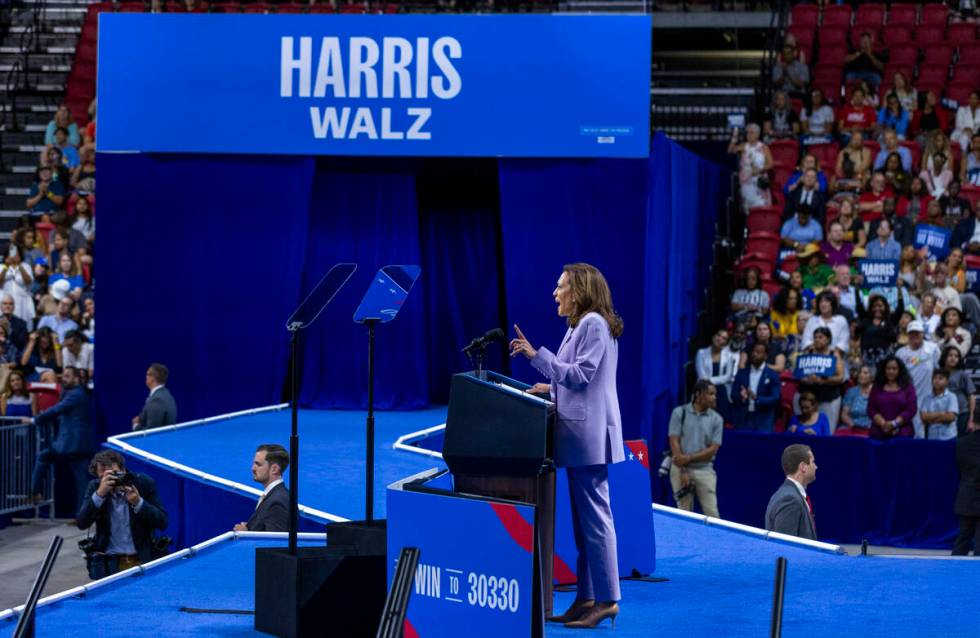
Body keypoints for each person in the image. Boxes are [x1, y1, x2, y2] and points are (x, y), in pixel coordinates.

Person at [509, 263, 623, 628]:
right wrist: (550, 387)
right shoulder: (583, 325)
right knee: (585, 525)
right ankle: (587, 597)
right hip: (581, 437)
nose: (555, 293)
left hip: (589, 438)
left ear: (580, 290)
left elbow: (581, 375)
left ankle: (607, 599)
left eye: (561, 287)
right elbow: (577, 380)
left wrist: (534, 356)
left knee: (596, 522)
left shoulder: (592, 323)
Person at [76, 449, 168, 578]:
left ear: (123, 469)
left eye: (114, 474)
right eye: (104, 476)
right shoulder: (95, 487)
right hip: (110, 564)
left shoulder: (143, 483)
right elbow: (81, 523)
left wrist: (138, 502)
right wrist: (99, 495)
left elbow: (162, 522)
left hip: (140, 560)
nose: (111, 479)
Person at [27, 367, 95, 510]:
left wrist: (35, 420)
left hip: (71, 443)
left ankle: (34, 491)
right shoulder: (74, 392)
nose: (63, 379)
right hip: (78, 443)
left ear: (76, 378)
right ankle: (81, 515)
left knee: (43, 457)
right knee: (81, 481)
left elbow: (57, 409)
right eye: (63, 376)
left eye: (67, 376)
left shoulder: (76, 394)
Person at [667, 379, 723, 518]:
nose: (714, 397)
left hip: (704, 470)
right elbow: (674, 441)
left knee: (713, 515)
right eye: (710, 394)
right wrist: (683, 469)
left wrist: (688, 458)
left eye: (714, 394)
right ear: (698, 394)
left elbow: (713, 450)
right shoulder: (679, 412)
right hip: (680, 470)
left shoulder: (717, 419)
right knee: (684, 514)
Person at [896, 320, 941, 438]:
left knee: (928, 432)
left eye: (918, 333)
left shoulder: (932, 348)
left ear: (922, 333)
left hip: (928, 396)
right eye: (912, 333)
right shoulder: (900, 353)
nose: (915, 336)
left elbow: (939, 371)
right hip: (906, 397)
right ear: (908, 334)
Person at [764, 444, 818, 541]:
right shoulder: (789, 499)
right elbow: (786, 549)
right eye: (813, 462)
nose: (816, 467)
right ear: (803, 467)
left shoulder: (789, 494)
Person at [795, 327, 845, 431]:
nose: (817, 339)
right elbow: (797, 374)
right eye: (815, 337)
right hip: (806, 397)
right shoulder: (808, 352)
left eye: (821, 337)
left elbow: (840, 377)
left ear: (828, 339)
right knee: (803, 429)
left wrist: (824, 381)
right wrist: (807, 380)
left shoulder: (834, 354)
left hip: (828, 397)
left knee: (827, 430)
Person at [234, 444, 290, 533]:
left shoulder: (277, 502)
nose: (253, 468)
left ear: (274, 469)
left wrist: (246, 535)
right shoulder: (274, 495)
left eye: (258, 464)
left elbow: (274, 544)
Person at [732, 342, 781, 432]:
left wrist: (757, 398)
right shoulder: (741, 373)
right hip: (743, 419)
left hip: (763, 420)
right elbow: (733, 394)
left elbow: (775, 398)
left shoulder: (772, 375)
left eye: (758, 352)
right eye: (753, 351)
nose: (754, 354)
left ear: (765, 356)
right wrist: (741, 396)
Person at [868, 355, 918, 439]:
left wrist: (894, 424)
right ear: (884, 370)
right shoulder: (877, 387)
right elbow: (871, 409)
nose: (891, 371)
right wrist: (883, 424)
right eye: (888, 368)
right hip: (879, 432)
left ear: (900, 370)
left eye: (894, 369)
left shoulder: (908, 387)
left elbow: (911, 409)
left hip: (902, 433)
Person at [695, 329, 738, 423]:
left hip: (721, 391)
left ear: (726, 343)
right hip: (704, 389)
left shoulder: (730, 356)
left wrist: (709, 380)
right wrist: (709, 383)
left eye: (724, 338)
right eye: (718, 335)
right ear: (713, 337)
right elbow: (701, 376)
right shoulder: (701, 353)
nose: (719, 339)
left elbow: (727, 377)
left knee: (720, 422)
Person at [729, 123, 773, 210]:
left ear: (757, 134)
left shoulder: (763, 147)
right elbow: (730, 150)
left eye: (752, 132)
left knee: (761, 207)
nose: (749, 135)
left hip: (759, 181)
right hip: (746, 182)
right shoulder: (744, 146)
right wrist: (734, 138)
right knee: (748, 208)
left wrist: (760, 170)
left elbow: (771, 164)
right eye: (748, 132)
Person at [855, 294, 903, 367]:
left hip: (884, 361)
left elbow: (900, 309)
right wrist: (856, 288)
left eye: (880, 306)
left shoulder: (889, 320)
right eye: (874, 306)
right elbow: (859, 306)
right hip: (867, 360)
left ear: (885, 307)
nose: (877, 308)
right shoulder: (866, 320)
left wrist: (899, 288)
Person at [953, 427, 980, 556]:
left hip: (966, 497)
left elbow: (960, 471)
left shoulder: (961, 443)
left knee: (962, 540)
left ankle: (952, 574)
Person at [939, 346, 977, 437]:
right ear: (944, 357)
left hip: (961, 414)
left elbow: (971, 396)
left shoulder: (962, 375)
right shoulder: (938, 374)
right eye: (950, 355)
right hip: (942, 413)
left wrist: (971, 419)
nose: (953, 358)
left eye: (956, 356)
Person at [132, 363, 178, 431]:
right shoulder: (166, 393)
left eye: (147, 374)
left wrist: (135, 426)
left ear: (152, 378)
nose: (145, 377)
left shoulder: (157, 400)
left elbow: (151, 432)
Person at [920, 369, 959, 440]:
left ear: (947, 382)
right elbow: (923, 417)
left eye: (940, 378)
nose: (937, 380)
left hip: (949, 437)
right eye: (934, 378)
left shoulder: (951, 396)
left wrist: (931, 419)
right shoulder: (926, 398)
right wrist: (942, 413)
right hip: (932, 437)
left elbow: (950, 417)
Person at [840, 365, 874, 436]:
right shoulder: (851, 391)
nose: (861, 375)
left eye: (865, 373)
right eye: (860, 372)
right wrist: (854, 427)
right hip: (853, 427)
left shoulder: (877, 392)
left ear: (872, 376)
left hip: (871, 428)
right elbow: (844, 415)